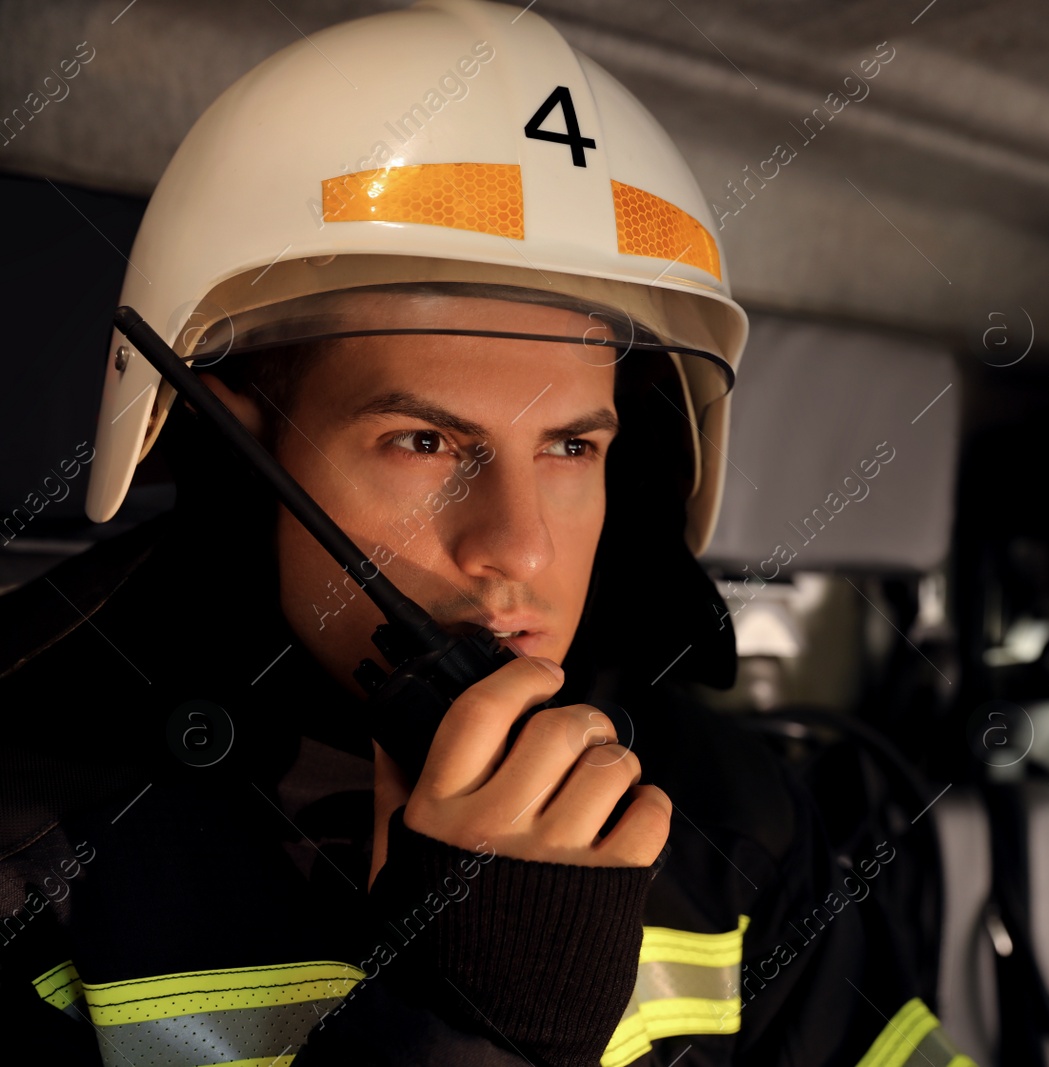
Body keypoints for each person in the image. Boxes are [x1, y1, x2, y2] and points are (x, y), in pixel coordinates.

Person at [0, 2, 973, 1065]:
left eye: (569, 448)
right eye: (422, 442)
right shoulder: (35, 841)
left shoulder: (732, 811)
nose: (518, 548)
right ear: (234, 462)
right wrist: (469, 1023)